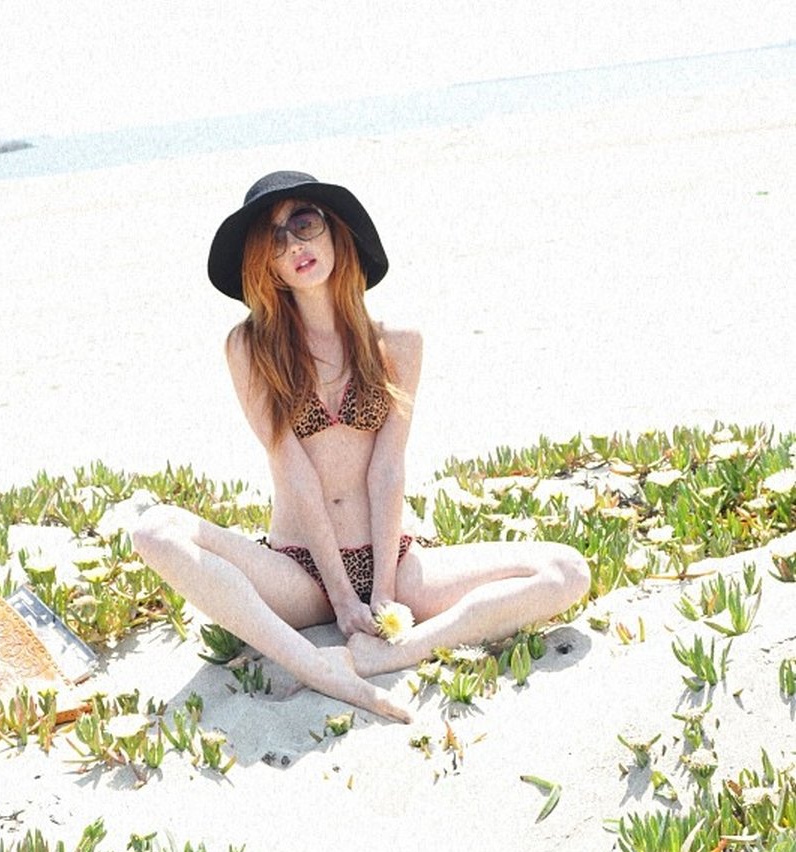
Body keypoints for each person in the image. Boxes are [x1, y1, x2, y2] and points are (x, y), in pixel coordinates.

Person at [133, 171, 590, 723]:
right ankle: (314, 665)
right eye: (274, 239)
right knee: (154, 530)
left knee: (566, 570)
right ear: (264, 263)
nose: (294, 244)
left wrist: (383, 591)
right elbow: (293, 470)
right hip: (299, 572)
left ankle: (394, 654)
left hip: (393, 559)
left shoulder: (399, 343)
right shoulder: (251, 347)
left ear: (334, 232)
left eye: (305, 223)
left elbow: (387, 469)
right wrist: (343, 598)